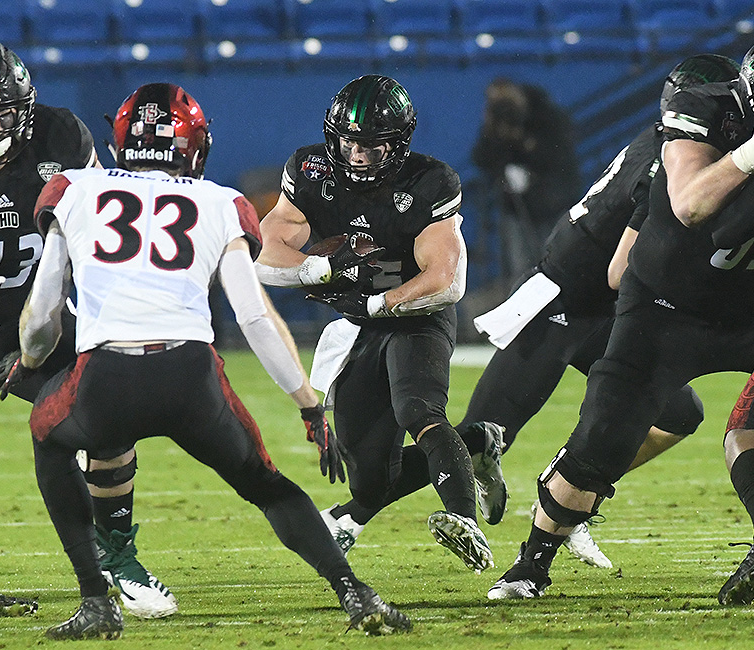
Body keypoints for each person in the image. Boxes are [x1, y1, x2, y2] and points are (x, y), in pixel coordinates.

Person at [0, 82, 411, 640]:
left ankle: (97, 600)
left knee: (50, 437)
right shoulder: (219, 202)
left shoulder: (73, 189)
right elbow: (254, 317)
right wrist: (308, 405)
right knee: (265, 483)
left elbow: (43, 312)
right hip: (192, 378)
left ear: (121, 142)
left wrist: (28, 360)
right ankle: (353, 592)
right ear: (194, 147)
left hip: (106, 380)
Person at [310, 55, 740, 570]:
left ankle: (571, 497)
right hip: (564, 303)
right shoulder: (668, 161)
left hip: (599, 308)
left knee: (679, 412)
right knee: (479, 436)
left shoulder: (674, 147)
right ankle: (348, 516)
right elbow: (620, 272)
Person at [486, 44, 754, 602]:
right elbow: (689, 205)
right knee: (602, 439)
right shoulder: (706, 109)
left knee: (747, 430)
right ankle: (531, 564)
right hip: (667, 308)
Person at [255, 74, 493, 574]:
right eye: (348, 142)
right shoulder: (310, 168)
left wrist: (381, 302)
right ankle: (476, 444)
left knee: (418, 409)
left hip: (416, 317)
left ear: (399, 143)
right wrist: (320, 268)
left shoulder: (429, 181)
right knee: (369, 479)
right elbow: (267, 255)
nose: (357, 154)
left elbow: (445, 280)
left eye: (371, 145)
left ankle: (462, 519)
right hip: (358, 325)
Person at [0, 39, 173, 619]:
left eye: (0, 112)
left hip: (29, 315)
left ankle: (116, 557)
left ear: (25, 107)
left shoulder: (61, 137)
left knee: (105, 413)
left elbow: (99, 239)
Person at [471, 78, 581, 288]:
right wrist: (492, 130)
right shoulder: (497, 121)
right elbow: (481, 158)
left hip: (553, 202)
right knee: (521, 268)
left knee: (557, 261)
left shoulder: (546, 115)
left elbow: (559, 156)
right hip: (517, 208)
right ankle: (525, 316)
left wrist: (525, 143)